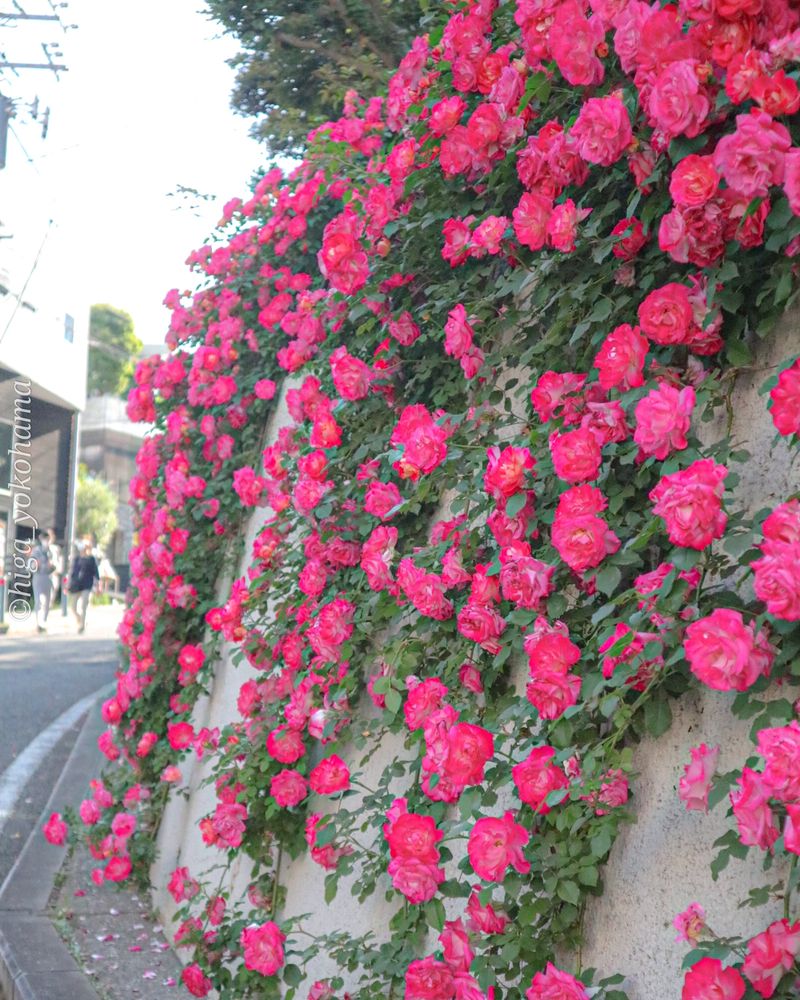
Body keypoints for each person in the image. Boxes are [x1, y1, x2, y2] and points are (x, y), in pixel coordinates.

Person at [68, 541, 99, 634]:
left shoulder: (91, 559)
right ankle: (80, 619)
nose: (83, 550)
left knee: (84, 605)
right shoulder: (77, 559)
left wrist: (97, 584)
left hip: (87, 585)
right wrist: (69, 582)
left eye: (85, 548)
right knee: (73, 607)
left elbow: (96, 572)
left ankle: (82, 626)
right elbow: (72, 572)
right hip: (76, 585)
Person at [31, 530, 54, 634]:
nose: (45, 541)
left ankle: (45, 621)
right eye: (44, 538)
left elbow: (58, 565)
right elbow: (30, 564)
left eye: (47, 538)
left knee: (48, 602)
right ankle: (39, 623)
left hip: (49, 577)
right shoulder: (36, 551)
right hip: (38, 576)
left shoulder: (53, 550)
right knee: (38, 601)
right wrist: (36, 564)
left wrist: (53, 565)